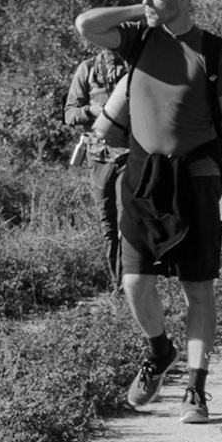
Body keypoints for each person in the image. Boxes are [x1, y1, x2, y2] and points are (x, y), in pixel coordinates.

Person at [76, 0, 222, 424]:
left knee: (198, 287)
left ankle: (196, 389)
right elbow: (86, 24)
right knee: (134, 281)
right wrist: (146, 9)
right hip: (143, 177)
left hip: (198, 177)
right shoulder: (139, 38)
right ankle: (159, 350)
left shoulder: (212, 51)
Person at [64, 48, 133, 285]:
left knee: (126, 221)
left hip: (129, 156)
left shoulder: (134, 66)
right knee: (108, 224)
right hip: (98, 156)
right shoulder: (88, 69)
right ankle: (116, 281)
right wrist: (91, 111)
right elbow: (69, 114)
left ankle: (128, 282)